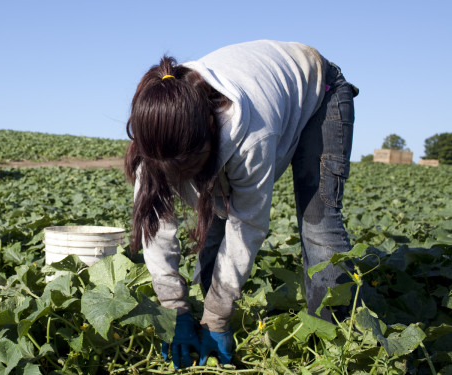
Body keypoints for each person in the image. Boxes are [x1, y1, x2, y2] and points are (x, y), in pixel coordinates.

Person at [124, 40, 359, 369]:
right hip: (263, 97)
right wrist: (173, 310)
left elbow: (245, 226)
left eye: (188, 170)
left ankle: (336, 346)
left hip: (320, 93)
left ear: (208, 141)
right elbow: (157, 230)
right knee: (215, 218)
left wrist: (218, 316)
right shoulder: (156, 140)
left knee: (319, 225)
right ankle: (200, 324)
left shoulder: (250, 135)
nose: (182, 180)